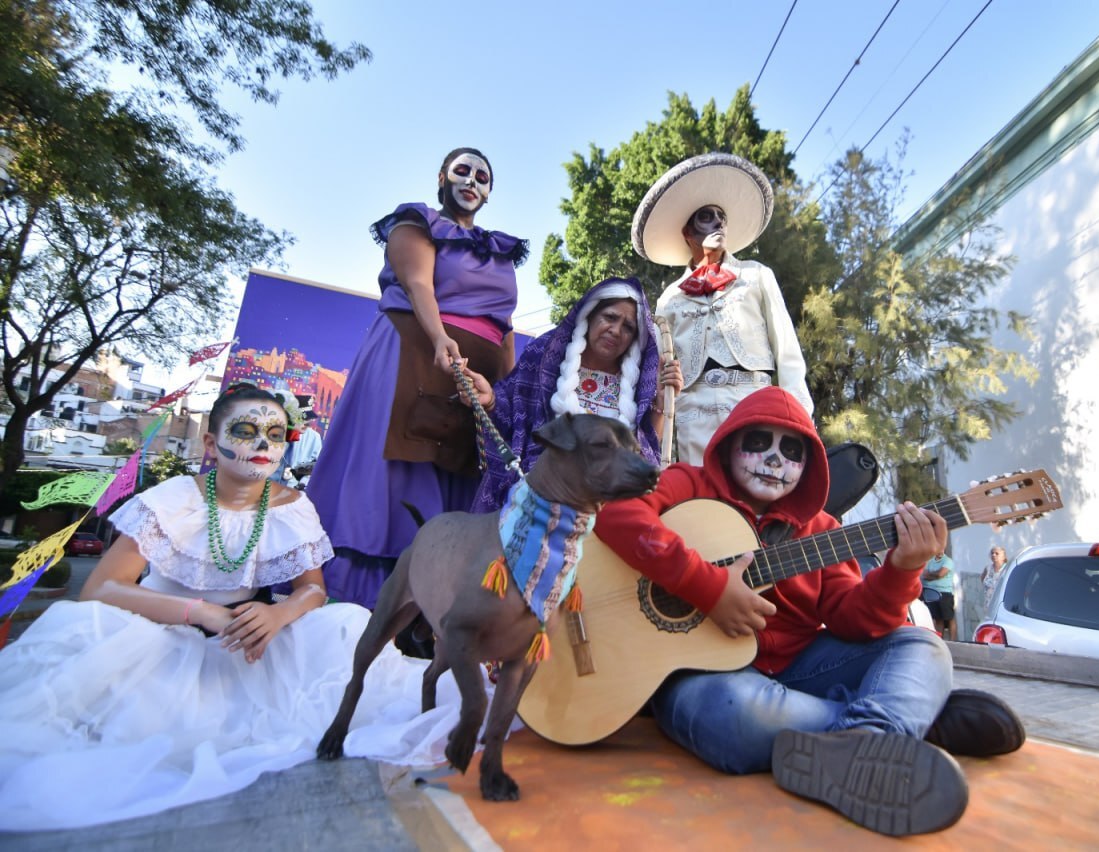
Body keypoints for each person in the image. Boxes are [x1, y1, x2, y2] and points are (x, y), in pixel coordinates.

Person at [0, 384, 491, 830]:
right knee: (107, 669)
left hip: (249, 641)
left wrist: (278, 614)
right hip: (159, 637)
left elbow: (313, 591)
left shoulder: (293, 506)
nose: (262, 445)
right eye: (246, 430)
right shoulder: (170, 500)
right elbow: (101, 590)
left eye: (275, 434)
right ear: (211, 445)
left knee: (344, 625)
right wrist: (201, 613)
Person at [593, 386, 1023, 837]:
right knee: (729, 710)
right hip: (700, 676)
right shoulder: (686, 485)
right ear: (730, 443)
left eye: (791, 450)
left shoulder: (824, 531)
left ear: (808, 464)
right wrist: (707, 588)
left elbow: (853, 620)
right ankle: (908, 727)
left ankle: (868, 739)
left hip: (797, 669)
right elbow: (617, 514)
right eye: (759, 442)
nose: (775, 460)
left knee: (924, 646)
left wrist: (903, 569)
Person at [307, 147, 526, 609]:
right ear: (442, 177)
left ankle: (436, 610)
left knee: (461, 481)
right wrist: (440, 338)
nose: (472, 181)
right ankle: (368, 604)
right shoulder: (419, 221)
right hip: (414, 353)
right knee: (396, 476)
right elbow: (417, 283)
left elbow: (504, 326)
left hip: (473, 376)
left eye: (483, 177)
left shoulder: (500, 249)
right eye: (462, 171)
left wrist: (508, 399)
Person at [632, 152, 813, 466]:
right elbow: (659, 368)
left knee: (762, 491)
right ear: (687, 233)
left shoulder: (756, 275)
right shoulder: (670, 298)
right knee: (707, 504)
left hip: (756, 401)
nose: (717, 221)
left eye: (721, 216)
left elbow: (787, 351)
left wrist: (798, 415)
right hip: (692, 417)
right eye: (706, 216)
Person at [459, 276, 683, 514]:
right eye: (610, 317)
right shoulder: (545, 354)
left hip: (614, 497)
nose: (616, 331)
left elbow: (644, 448)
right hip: (544, 488)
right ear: (589, 314)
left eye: (628, 327)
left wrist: (660, 403)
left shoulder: (640, 380)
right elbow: (515, 415)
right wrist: (490, 400)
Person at [922, 552, 958, 641]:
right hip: (931, 593)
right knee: (938, 618)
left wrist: (933, 575)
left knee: (949, 617)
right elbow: (925, 575)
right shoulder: (929, 561)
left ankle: (953, 640)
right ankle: (939, 639)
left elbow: (941, 574)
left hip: (944, 593)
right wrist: (936, 575)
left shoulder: (948, 561)